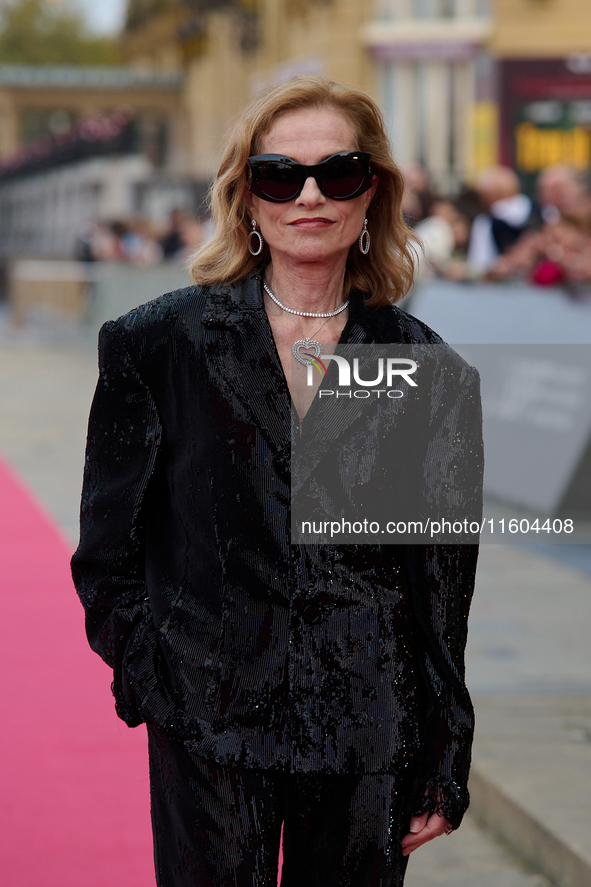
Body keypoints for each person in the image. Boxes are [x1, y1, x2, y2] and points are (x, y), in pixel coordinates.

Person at [71, 76, 482, 887]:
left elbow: (438, 583)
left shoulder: (425, 367)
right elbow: (106, 550)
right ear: (245, 198)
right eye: (277, 174)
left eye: (338, 173)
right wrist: (157, 683)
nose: (309, 196)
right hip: (209, 715)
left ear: (372, 194)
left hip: (368, 721)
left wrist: (443, 746)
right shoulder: (160, 345)